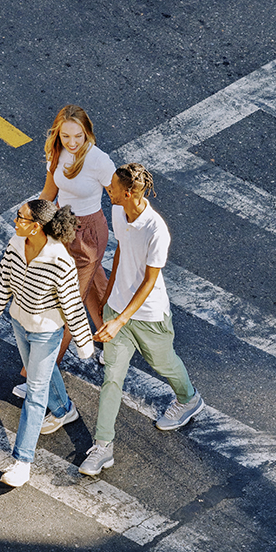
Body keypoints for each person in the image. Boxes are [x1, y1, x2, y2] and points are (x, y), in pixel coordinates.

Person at [79, 164, 203, 477]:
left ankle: (189, 399)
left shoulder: (156, 229)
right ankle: (102, 446)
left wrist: (120, 320)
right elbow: (121, 246)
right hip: (118, 310)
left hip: (148, 317)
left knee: (164, 365)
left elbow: (149, 282)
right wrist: (109, 295)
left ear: (130, 192)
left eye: (112, 189)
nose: (108, 191)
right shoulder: (120, 213)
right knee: (112, 378)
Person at [0, 198, 94, 487]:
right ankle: (65, 410)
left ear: (37, 227)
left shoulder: (60, 260)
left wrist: (82, 342)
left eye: (21, 218)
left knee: (36, 392)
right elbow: (0, 285)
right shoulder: (16, 245)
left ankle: (22, 462)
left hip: (46, 331)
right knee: (40, 372)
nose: (15, 221)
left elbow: (72, 305)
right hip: (19, 322)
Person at [11, 105, 115, 393]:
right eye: (66, 135)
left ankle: (39, 378)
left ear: (87, 133)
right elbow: (48, 193)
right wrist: (32, 225)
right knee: (94, 287)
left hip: (89, 236)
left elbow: (117, 196)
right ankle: (114, 341)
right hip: (61, 227)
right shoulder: (56, 153)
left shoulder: (98, 160)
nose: (72, 142)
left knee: (66, 303)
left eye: (78, 136)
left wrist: (131, 234)